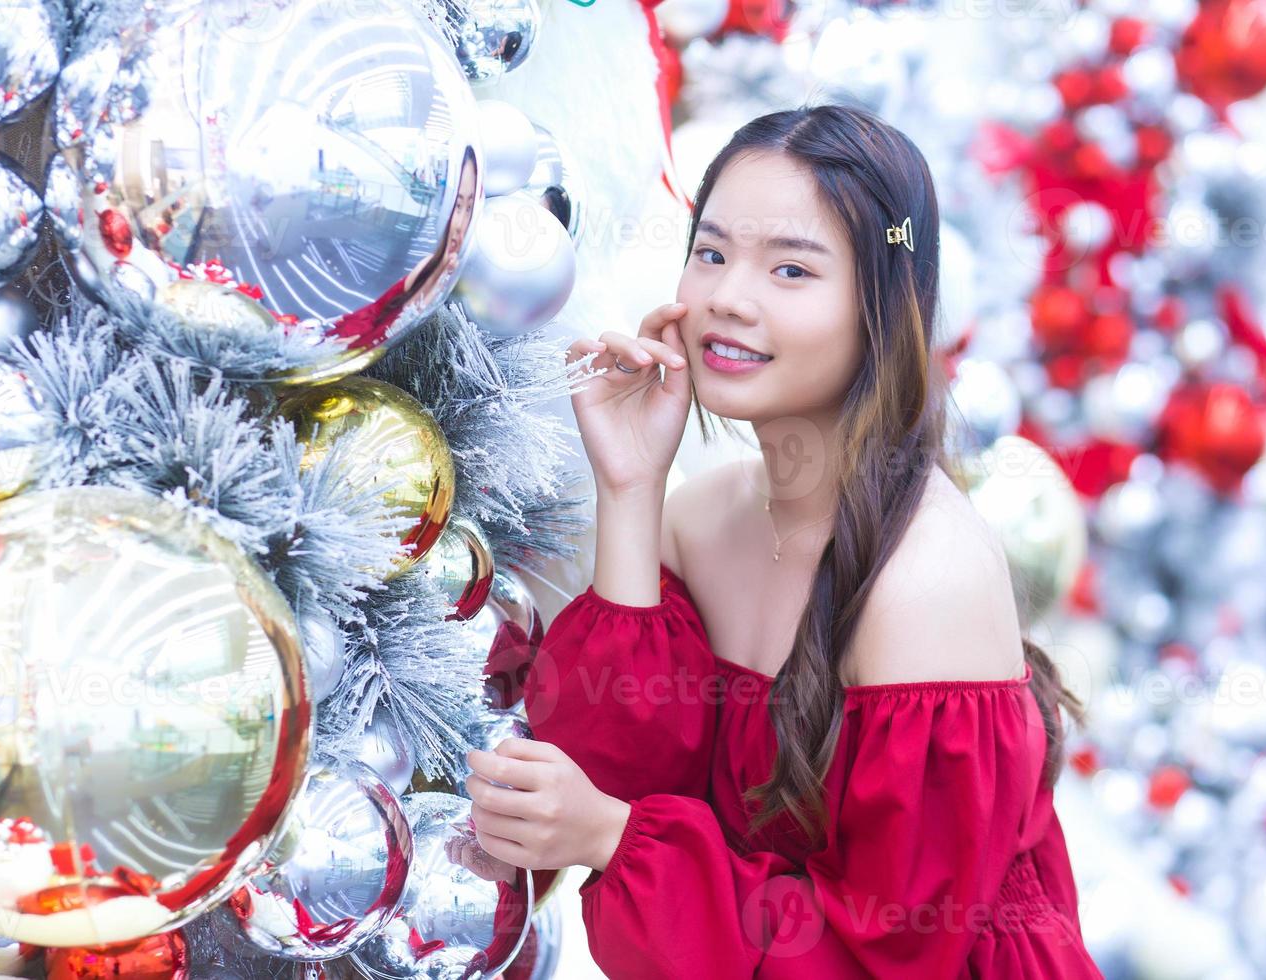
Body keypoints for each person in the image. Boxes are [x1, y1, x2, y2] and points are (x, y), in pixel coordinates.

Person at [463, 102, 1103, 978]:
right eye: (712, 252)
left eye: (792, 270)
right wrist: (631, 487)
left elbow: (877, 955)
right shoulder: (703, 515)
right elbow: (617, 765)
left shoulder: (926, 582)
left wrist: (612, 836)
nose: (728, 296)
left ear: (883, 306)